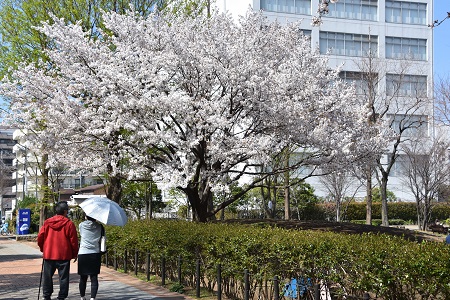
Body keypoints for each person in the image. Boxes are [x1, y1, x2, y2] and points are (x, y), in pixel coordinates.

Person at [37, 201, 79, 300]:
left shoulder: (47, 222)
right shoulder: (69, 224)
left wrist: (43, 248)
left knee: (47, 277)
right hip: (64, 255)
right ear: (65, 211)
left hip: (49, 254)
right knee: (63, 278)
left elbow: (40, 237)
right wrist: (74, 253)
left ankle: (47, 295)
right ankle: (62, 296)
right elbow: (73, 241)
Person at [78, 215, 104, 300]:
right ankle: (92, 298)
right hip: (95, 253)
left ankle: (82, 297)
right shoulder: (100, 227)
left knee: (83, 277)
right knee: (94, 277)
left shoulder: (81, 225)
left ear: (86, 216)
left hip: (83, 253)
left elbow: (81, 234)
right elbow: (103, 239)